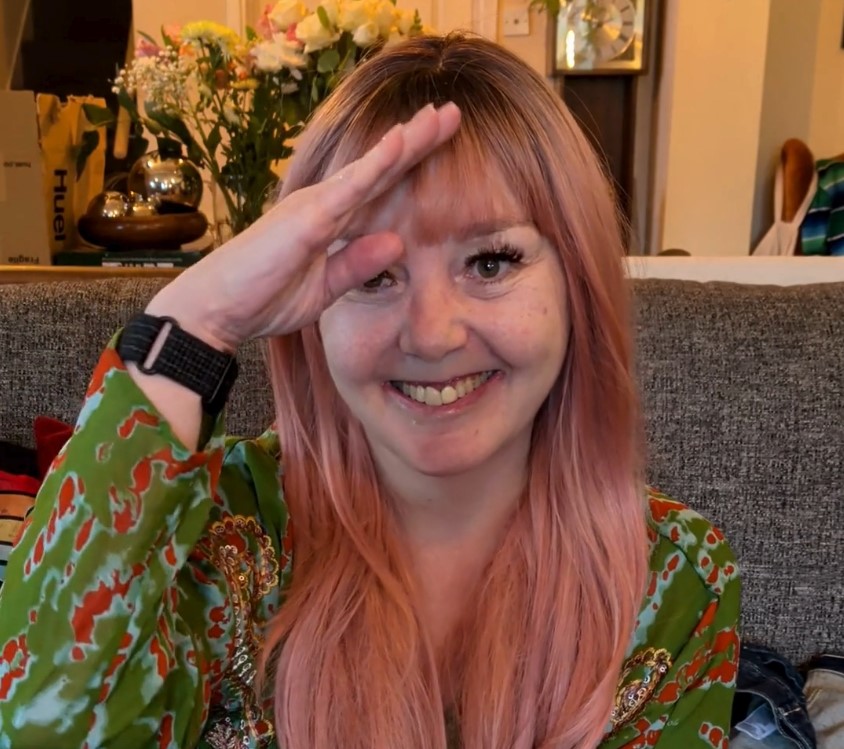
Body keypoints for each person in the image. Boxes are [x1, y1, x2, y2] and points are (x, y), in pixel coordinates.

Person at [0, 33, 740, 749]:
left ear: (577, 280)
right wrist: (196, 319)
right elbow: (34, 725)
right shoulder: (218, 528)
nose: (429, 334)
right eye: (372, 275)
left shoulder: (673, 579)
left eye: (489, 262)